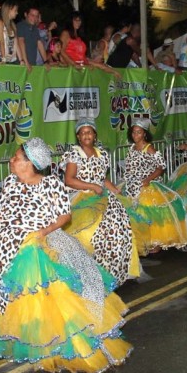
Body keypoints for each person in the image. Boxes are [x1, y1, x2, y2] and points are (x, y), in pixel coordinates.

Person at [0, 138, 131, 373]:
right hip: (4, 244)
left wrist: (42, 233)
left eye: (16, 158)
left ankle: (58, 347)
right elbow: (4, 213)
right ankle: (20, 342)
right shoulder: (9, 183)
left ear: (30, 163)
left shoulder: (51, 185)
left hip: (36, 247)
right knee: (8, 297)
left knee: (44, 300)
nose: (12, 161)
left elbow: (64, 216)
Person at [62, 119, 141, 287]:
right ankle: (88, 274)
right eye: (82, 133)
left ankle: (117, 271)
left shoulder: (102, 154)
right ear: (78, 136)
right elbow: (69, 180)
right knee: (88, 234)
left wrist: (114, 190)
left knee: (120, 229)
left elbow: (102, 178)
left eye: (89, 132)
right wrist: (91, 186)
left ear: (95, 135)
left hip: (103, 198)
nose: (86, 135)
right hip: (82, 199)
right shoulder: (74, 154)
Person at [119, 119, 187, 259]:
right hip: (133, 185)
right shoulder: (132, 148)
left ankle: (156, 243)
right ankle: (144, 240)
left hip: (148, 186)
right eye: (133, 132)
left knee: (152, 214)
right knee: (137, 214)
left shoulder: (149, 148)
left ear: (144, 134)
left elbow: (161, 166)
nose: (135, 135)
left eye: (138, 132)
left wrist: (148, 179)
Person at [0, 1, 29, 71]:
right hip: (1, 59)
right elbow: (1, 41)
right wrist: (3, 59)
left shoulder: (13, 25)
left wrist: (21, 60)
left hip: (12, 60)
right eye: (15, 10)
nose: (17, 13)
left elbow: (16, 44)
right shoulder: (0, 23)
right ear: (9, 10)